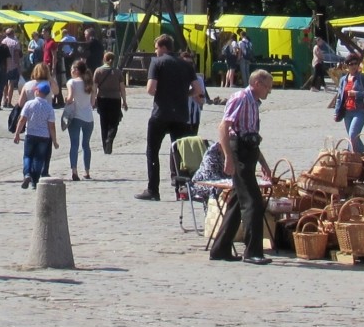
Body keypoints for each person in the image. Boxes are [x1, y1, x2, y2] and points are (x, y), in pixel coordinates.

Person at [210, 70, 276, 263]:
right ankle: (253, 251)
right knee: (253, 201)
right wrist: (228, 157)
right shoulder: (240, 98)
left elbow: (252, 135)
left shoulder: (254, 102)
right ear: (256, 82)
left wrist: (263, 162)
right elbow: (223, 127)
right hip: (238, 151)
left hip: (249, 151)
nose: (269, 92)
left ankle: (220, 249)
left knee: (238, 202)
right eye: (267, 87)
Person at [136, 35, 198, 201]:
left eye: (156, 48)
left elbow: (150, 89)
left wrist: (163, 93)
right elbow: (198, 90)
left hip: (161, 114)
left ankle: (153, 190)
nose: (155, 51)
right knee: (180, 153)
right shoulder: (186, 65)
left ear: (163, 47)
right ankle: (182, 190)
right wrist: (184, 94)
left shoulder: (157, 63)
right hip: (180, 115)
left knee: (152, 151)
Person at [330, 53, 364, 155]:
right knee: (354, 138)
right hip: (347, 112)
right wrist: (336, 112)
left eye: (356, 63)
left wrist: (357, 94)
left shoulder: (362, 77)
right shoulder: (343, 80)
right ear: (347, 65)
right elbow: (339, 97)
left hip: (359, 111)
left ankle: (354, 157)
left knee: (352, 135)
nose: (354, 66)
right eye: (351, 64)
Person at [15, 80, 57, 188]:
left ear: (37, 92)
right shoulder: (49, 108)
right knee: (39, 158)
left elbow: (22, 120)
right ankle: (35, 180)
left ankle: (27, 173)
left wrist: (17, 133)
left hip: (30, 134)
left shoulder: (29, 104)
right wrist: (55, 140)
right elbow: (51, 126)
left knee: (28, 156)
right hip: (44, 136)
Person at [64, 58, 94, 181]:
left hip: (76, 116)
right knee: (86, 145)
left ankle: (74, 171)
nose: (71, 71)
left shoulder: (72, 82)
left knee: (74, 145)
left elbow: (70, 98)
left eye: (72, 68)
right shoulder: (89, 83)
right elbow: (93, 102)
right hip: (88, 117)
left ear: (76, 70)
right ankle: (87, 171)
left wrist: (67, 100)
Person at [93, 52, 126, 154]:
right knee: (114, 123)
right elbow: (122, 88)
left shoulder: (98, 71)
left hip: (102, 98)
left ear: (104, 59)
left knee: (104, 123)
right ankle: (110, 139)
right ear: (114, 60)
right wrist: (124, 101)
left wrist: (93, 100)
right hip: (115, 99)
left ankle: (105, 147)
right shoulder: (118, 72)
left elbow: (94, 88)